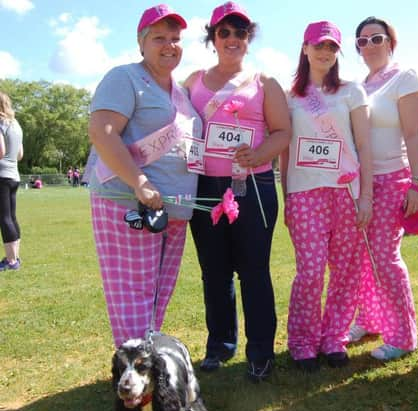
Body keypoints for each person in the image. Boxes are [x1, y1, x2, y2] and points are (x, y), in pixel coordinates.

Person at [184, 1, 291, 382]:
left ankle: (261, 351)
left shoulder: (265, 83)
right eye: (224, 32)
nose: (232, 39)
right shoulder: (193, 81)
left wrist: (258, 154)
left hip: (253, 187)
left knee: (254, 272)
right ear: (212, 37)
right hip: (203, 186)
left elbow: (282, 132)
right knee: (213, 272)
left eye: (240, 33)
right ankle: (220, 345)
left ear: (249, 38)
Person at [87, 4, 200, 347]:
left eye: (175, 38)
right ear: (141, 44)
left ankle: (144, 362)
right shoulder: (125, 77)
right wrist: (139, 182)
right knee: (134, 295)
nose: (169, 45)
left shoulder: (180, 92)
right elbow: (102, 132)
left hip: (173, 210)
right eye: (159, 38)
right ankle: (134, 375)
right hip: (130, 202)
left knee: (158, 294)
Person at [281, 20, 372, 372]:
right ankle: (302, 341)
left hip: (346, 193)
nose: (325, 52)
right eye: (319, 45)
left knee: (347, 270)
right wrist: (287, 196)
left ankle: (334, 336)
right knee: (311, 271)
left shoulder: (351, 92)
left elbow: (362, 144)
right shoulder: (289, 97)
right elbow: (284, 152)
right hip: (305, 193)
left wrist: (365, 198)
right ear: (305, 49)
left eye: (332, 46)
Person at [345, 16, 418, 361]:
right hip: (359, 182)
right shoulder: (360, 85)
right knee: (362, 258)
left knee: (385, 258)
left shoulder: (404, 78)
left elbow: (413, 134)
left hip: (393, 177)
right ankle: (370, 318)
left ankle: (404, 336)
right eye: (362, 41)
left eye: (376, 39)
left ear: (390, 42)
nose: (369, 46)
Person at [0, 91, 23, 272]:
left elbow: (0, 151)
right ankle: (14, 257)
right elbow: (20, 154)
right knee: (11, 217)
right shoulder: (15, 124)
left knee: (4, 218)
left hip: (1, 175)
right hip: (14, 175)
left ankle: (11, 261)